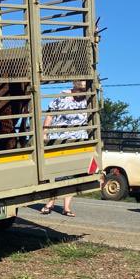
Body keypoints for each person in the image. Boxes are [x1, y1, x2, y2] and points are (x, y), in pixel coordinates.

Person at [40, 80, 90, 218]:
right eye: (81, 80)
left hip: (78, 140)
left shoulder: (89, 97)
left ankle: (66, 207)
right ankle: (50, 203)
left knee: (71, 174)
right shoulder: (63, 95)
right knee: (57, 173)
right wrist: (45, 132)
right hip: (60, 139)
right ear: (74, 82)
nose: (83, 82)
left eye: (85, 80)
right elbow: (50, 114)